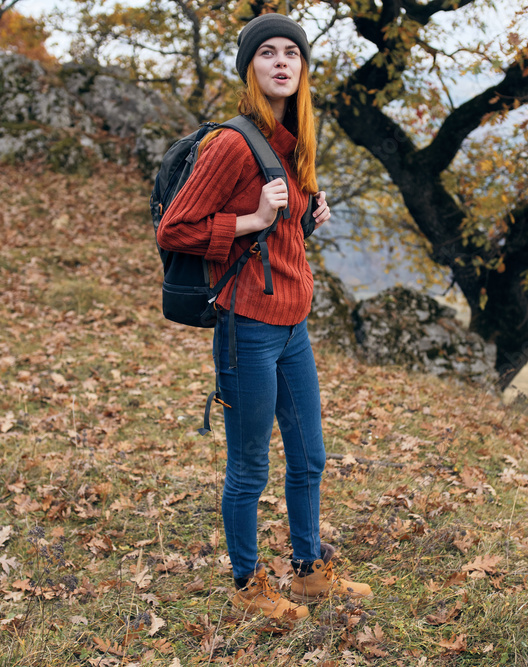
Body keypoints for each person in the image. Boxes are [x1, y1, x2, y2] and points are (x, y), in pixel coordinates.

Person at [156, 13, 372, 621]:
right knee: (249, 465)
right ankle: (248, 587)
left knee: (309, 457)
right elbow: (175, 228)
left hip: (292, 324)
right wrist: (250, 220)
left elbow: (279, 232)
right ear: (250, 68)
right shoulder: (232, 142)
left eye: (292, 54)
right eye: (267, 54)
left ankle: (307, 572)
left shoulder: (294, 137)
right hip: (245, 328)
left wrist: (304, 219)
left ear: (303, 68)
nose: (282, 62)